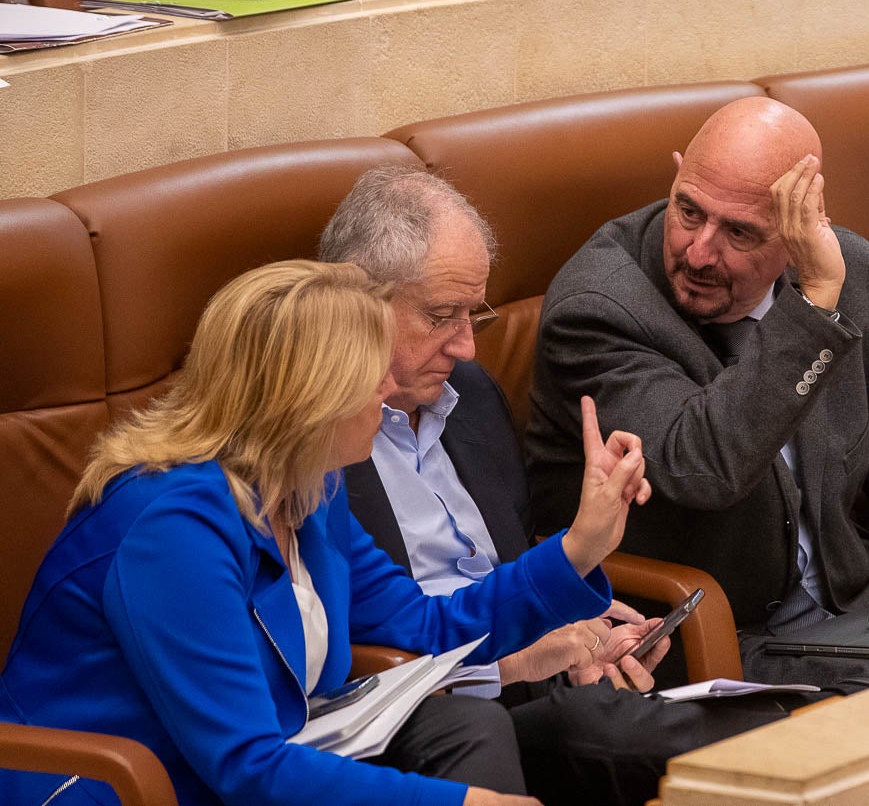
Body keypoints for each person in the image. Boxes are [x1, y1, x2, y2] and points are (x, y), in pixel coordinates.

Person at [0, 259, 654, 806]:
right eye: (372, 372)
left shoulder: (309, 487)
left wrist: (580, 547)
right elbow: (244, 764)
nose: (391, 386)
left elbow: (428, 627)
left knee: (464, 731)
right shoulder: (174, 527)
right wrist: (457, 803)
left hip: (244, 763)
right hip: (113, 786)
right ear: (309, 397)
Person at [318, 166, 797, 806]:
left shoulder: (471, 398)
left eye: (475, 315)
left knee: (755, 723)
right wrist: (521, 656)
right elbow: (354, 647)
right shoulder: (312, 448)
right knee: (639, 735)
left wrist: (577, 628)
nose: (466, 346)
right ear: (355, 302)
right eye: (440, 316)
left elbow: (499, 571)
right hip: (427, 716)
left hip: (518, 677)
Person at [524, 96, 869, 687]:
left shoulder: (851, 275)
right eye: (688, 210)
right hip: (705, 633)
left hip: (859, 611)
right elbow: (701, 465)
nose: (699, 252)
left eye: (739, 233)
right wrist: (810, 308)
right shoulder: (599, 308)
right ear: (676, 173)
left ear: (801, 227)